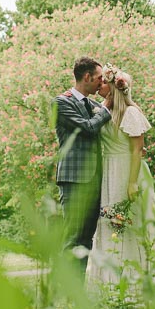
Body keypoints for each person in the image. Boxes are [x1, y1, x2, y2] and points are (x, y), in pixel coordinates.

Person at [87, 63, 155, 285]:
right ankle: (109, 279)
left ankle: (133, 279)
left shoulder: (131, 112)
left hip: (128, 169)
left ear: (115, 87)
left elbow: (137, 149)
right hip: (109, 170)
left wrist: (133, 182)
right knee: (109, 220)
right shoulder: (102, 111)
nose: (100, 85)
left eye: (104, 82)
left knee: (128, 222)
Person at [54, 56, 113, 276]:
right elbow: (88, 128)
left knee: (86, 239)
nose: (101, 83)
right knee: (73, 238)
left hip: (94, 181)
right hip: (74, 181)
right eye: (98, 79)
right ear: (86, 77)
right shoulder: (61, 102)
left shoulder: (95, 104)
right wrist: (107, 109)